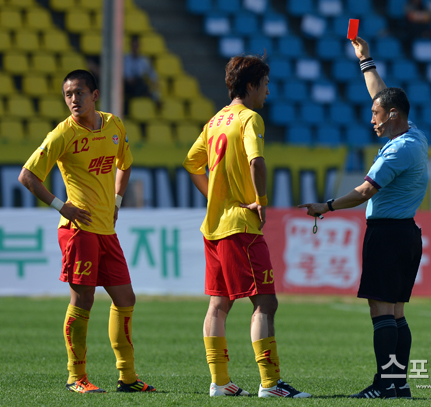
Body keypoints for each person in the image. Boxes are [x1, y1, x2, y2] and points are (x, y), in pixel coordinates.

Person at [299, 36, 429, 399]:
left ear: (392, 116)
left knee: (380, 310)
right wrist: (365, 60)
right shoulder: (413, 135)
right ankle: (398, 384)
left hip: (387, 236)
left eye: (375, 114)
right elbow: (383, 96)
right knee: (397, 312)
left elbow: (364, 192)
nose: (370, 118)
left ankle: (385, 385)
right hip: (406, 233)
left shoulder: (396, 153)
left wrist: (325, 206)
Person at [18, 70, 155, 394]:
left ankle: (128, 377)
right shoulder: (62, 134)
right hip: (78, 230)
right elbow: (27, 175)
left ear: (95, 95)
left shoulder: (114, 126)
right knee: (84, 299)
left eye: (79, 93)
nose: (73, 100)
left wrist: (117, 201)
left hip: (106, 229)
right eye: (68, 95)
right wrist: (60, 205)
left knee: (125, 298)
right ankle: (75, 377)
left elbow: (125, 163)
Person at [183, 55, 311, 399]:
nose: (268, 92)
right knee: (265, 304)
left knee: (218, 304)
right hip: (241, 226)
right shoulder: (249, 119)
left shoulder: (214, 121)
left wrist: (216, 198)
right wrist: (261, 200)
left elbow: (192, 164)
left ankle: (220, 382)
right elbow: (257, 160)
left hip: (214, 227)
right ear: (252, 85)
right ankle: (270, 384)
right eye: (266, 85)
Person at [124, 35, 159, 111]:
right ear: (130, 46)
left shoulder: (145, 60)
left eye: (136, 46)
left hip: (139, 85)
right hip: (127, 85)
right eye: (133, 46)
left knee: (141, 82)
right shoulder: (125, 59)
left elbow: (152, 76)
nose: (135, 48)